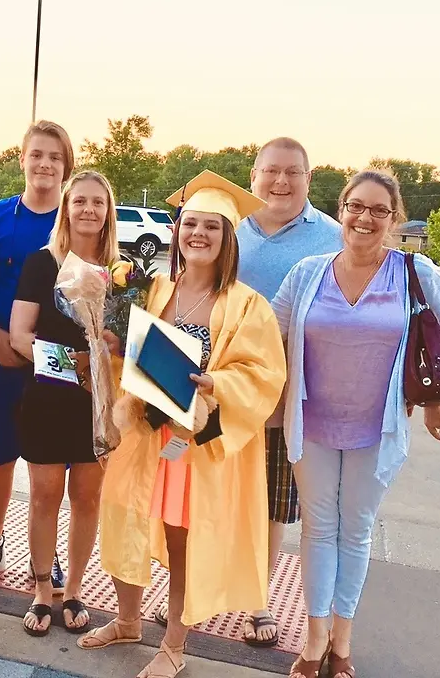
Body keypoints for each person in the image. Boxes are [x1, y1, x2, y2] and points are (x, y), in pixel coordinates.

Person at [78, 171, 287, 678]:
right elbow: (130, 357)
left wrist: (217, 383)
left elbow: (264, 374)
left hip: (194, 443)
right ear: (177, 230)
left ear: (227, 237)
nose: (198, 234)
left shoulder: (246, 304)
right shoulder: (151, 289)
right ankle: (128, 621)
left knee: (180, 540)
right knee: (124, 518)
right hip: (143, 432)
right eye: (190, 223)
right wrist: (106, 348)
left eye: (211, 227)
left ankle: (174, 643)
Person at [272, 170, 440, 678]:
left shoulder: (416, 273)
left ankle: (343, 642)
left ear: (394, 218)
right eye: (356, 206)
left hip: (375, 432)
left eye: (379, 210)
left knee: (354, 532)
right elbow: (265, 338)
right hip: (310, 424)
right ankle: (314, 641)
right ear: (341, 210)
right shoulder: (307, 272)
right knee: (317, 531)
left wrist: (434, 403)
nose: (365, 218)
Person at [0, 121, 75, 591]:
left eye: (56, 158)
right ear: (21, 158)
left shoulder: (76, 220)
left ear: (67, 167)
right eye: (37, 154)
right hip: (3, 360)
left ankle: (48, 552)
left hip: (60, 365)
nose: (45, 164)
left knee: (52, 466)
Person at [232, 137, 341, 647]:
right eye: (271, 171)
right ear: (253, 175)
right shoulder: (230, 231)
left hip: (289, 398)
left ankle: (258, 601)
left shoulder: (334, 238)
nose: (280, 182)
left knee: (273, 504)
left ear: (308, 178)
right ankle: (197, 586)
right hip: (224, 391)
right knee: (214, 493)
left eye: (292, 173)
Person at [10, 171, 119, 637]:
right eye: (81, 202)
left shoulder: (122, 269)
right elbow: (19, 335)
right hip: (48, 399)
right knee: (44, 495)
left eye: (98, 202)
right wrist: (69, 363)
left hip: (97, 404)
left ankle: (74, 589)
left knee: (87, 498)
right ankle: (40, 591)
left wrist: (111, 343)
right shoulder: (42, 263)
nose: (89, 210)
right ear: (67, 207)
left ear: (108, 211)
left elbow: (127, 339)